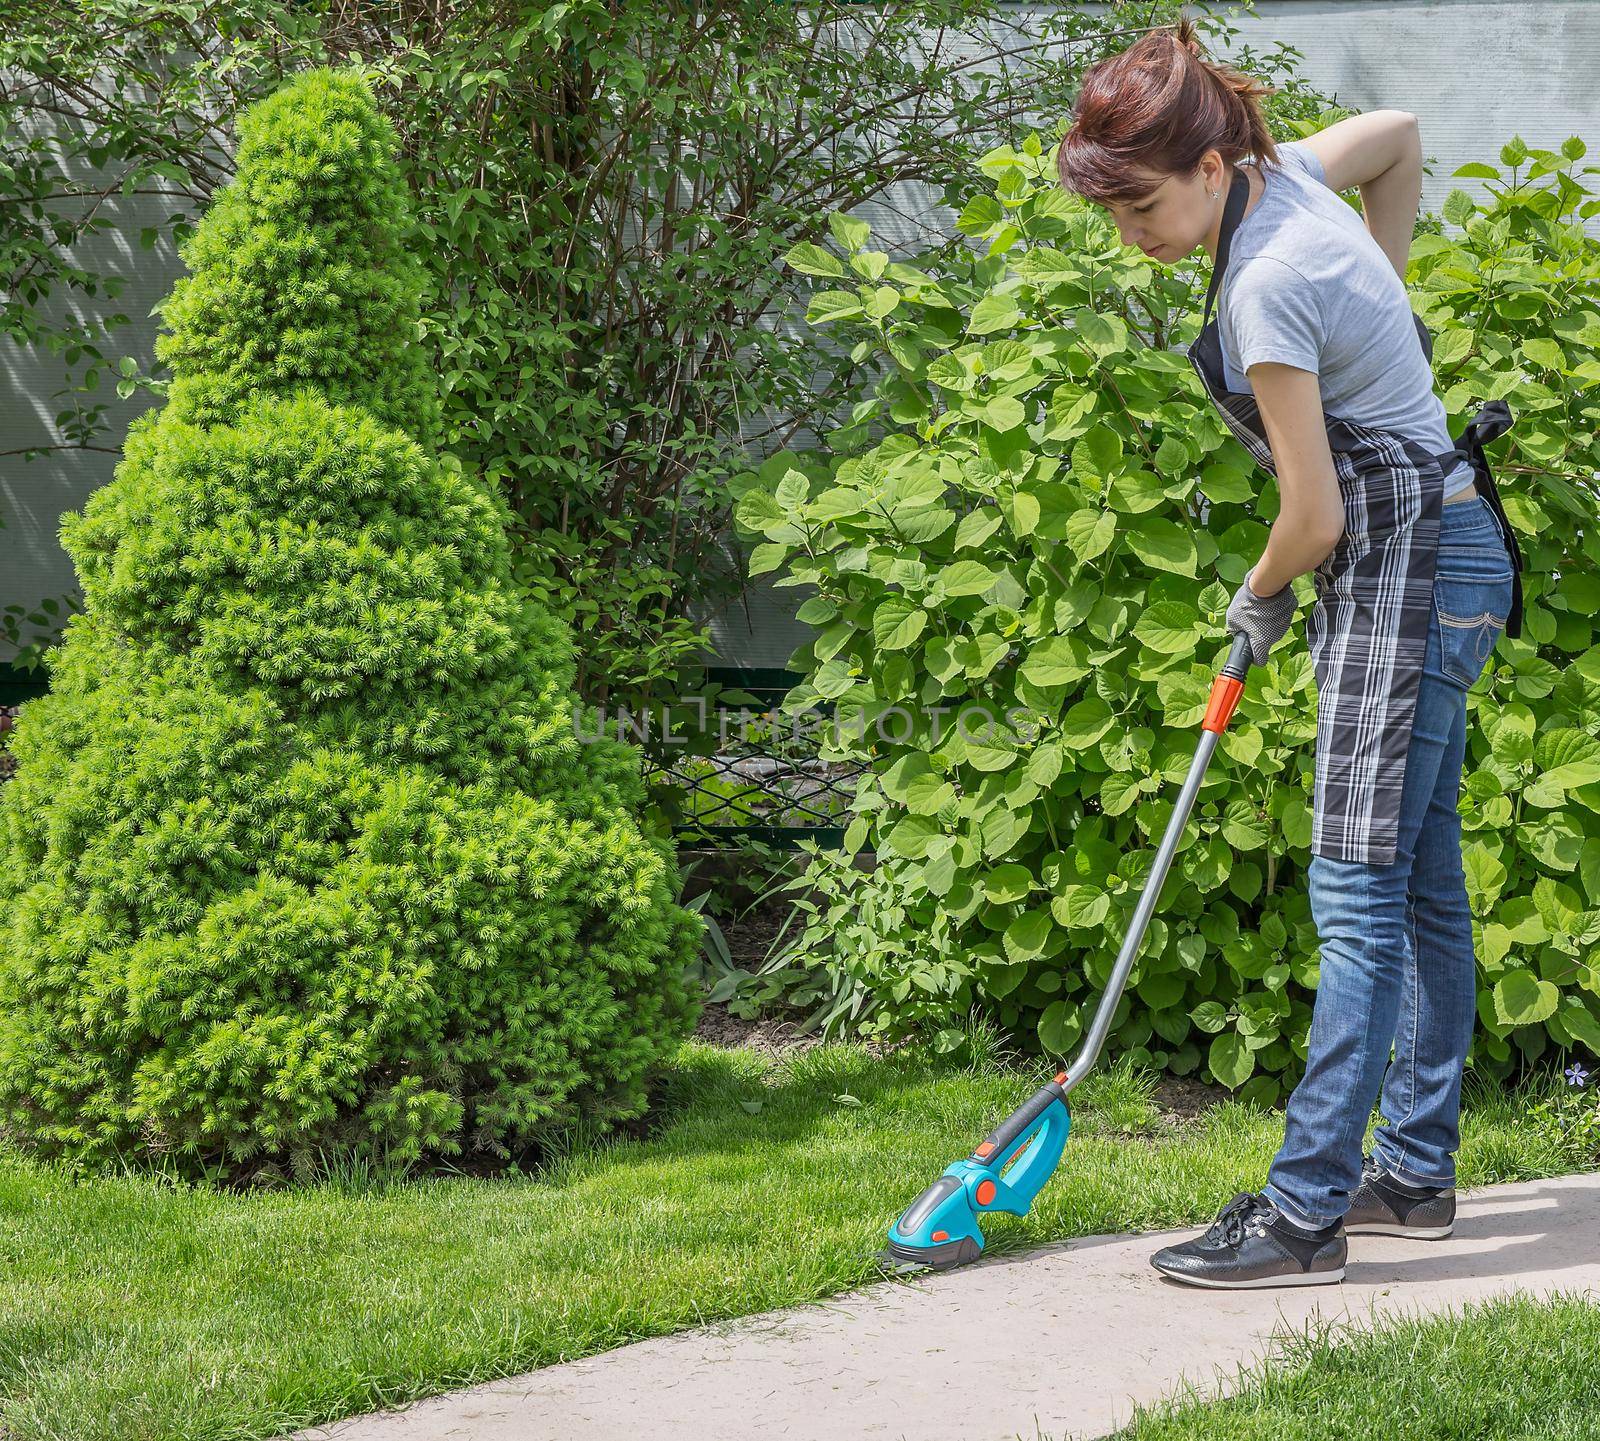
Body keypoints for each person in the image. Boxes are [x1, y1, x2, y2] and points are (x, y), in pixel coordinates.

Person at [1056, 14, 1525, 1288]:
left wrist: (1256, 596)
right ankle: (1414, 1178)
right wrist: (1390, 297)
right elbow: (1401, 140)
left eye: (1140, 205)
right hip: (1448, 552)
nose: (1131, 235)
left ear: (1209, 167)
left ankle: (1304, 1212)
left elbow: (1309, 518)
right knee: (1419, 879)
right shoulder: (1290, 177)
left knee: (1356, 897)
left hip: (1405, 573)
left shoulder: (1267, 279)